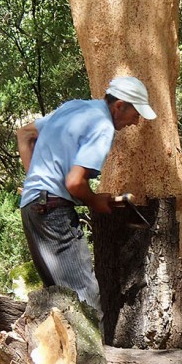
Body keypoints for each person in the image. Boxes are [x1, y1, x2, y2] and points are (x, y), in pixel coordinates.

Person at [16, 76, 157, 317]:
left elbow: (24, 133)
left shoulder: (75, 107)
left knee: (58, 300)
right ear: (119, 105)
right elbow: (74, 182)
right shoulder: (103, 125)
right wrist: (94, 200)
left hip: (32, 205)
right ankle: (89, 356)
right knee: (84, 302)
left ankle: (58, 354)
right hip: (53, 212)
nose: (136, 121)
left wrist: (37, 182)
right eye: (136, 113)